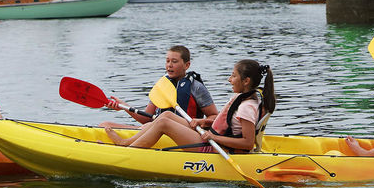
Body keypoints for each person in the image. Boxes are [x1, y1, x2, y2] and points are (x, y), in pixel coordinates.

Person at [105, 59, 275, 153]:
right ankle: (125, 143)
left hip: (216, 147)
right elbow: (232, 124)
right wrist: (204, 122)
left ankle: (127, 152)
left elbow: (247, 143)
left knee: (164, 123)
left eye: (233, 76)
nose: (229, 79)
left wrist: (214, 137)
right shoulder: (246, 98)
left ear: (246, 81)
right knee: (166, 116)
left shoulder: (247, 106)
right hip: (212, 137)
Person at [99, 45, 217, 128]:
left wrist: (202, 121)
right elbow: (146, 118)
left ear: (187, 65)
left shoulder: (196, 87)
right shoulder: (162, 86)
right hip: (155, 130)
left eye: (174, 61)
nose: (169, 65)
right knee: (104, 125)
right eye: (167, 61)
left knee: (146, 128)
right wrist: (123, 106)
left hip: (185, 133)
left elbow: (214, 116)